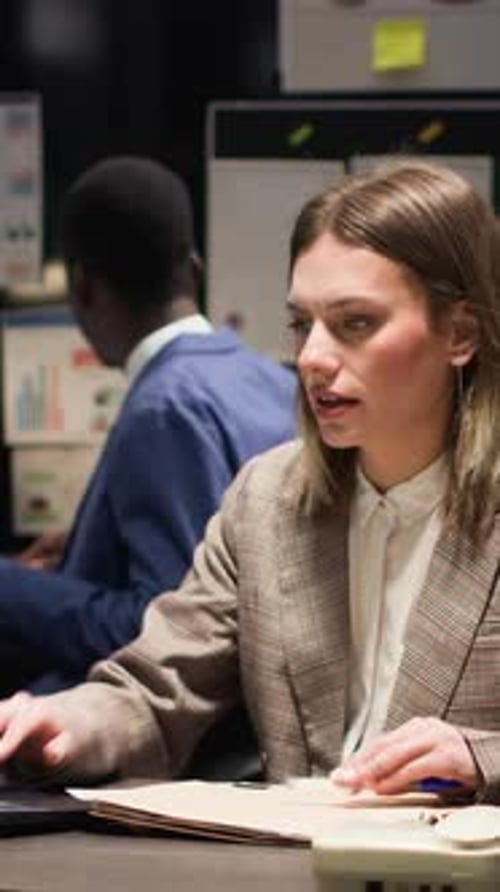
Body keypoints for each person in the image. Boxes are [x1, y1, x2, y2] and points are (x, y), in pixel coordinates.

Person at [1, 159, 499, 804]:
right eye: (302, 324)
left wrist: (480, 755)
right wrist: (65, 723)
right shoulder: (265, 501)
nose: (313, 357)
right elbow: (158, 690)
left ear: (459, 333)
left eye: (355, 323)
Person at [0, 156, 297, 696]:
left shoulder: (165, 406)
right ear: (195, 269)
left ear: (82, 289)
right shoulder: (267, 379)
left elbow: (168, 630)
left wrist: (12, 587)